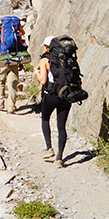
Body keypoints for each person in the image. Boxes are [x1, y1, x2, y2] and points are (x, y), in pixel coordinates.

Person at [36, 36, 72, 168]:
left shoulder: (45, 60)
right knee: (61, 126)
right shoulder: (68, 59)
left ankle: (49, 148)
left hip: (51, 95)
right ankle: (59, 158)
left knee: (45, 118)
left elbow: (43, 81)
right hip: (66, 95)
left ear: (48, 47)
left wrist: (37, 71)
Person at [0, 16, 26, 113]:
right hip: (14, 59)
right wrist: (21, 62)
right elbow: (21, 44)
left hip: (2, 57)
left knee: (0, 81)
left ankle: (0, 102)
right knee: (13, 84)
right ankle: (11, 107)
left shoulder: (1, 28)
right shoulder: (18, 29)